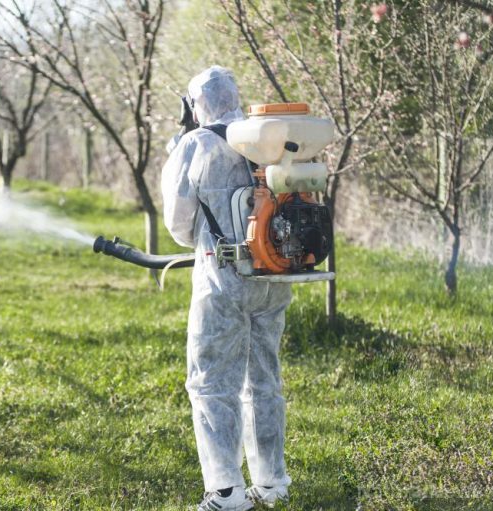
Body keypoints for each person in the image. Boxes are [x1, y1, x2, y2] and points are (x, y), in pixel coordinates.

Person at [161, 66, 294, 511]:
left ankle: (225, 492)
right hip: (273, 276)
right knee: (263, 380)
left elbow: (180, 228)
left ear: (196, 103)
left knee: (211, 383)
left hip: (222, 282)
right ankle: (272, 484)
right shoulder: (265, 140)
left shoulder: (196, 144)